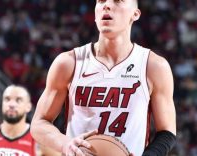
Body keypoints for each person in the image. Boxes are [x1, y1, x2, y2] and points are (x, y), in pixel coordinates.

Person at [30, 0, 176, 156]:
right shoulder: (68, 62)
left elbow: (167, 132)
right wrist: (65, 144)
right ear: (94, 13)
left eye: (118, 1)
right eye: (100, 1)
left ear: (135, 14)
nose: (106, 5)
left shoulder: (153, 66)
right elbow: (39, 123)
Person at [0, 85, 49, 156]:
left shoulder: (41, 141)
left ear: (28, 107)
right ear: (2, 103)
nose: (11, 104)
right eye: (7, 99)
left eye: (18, 100)